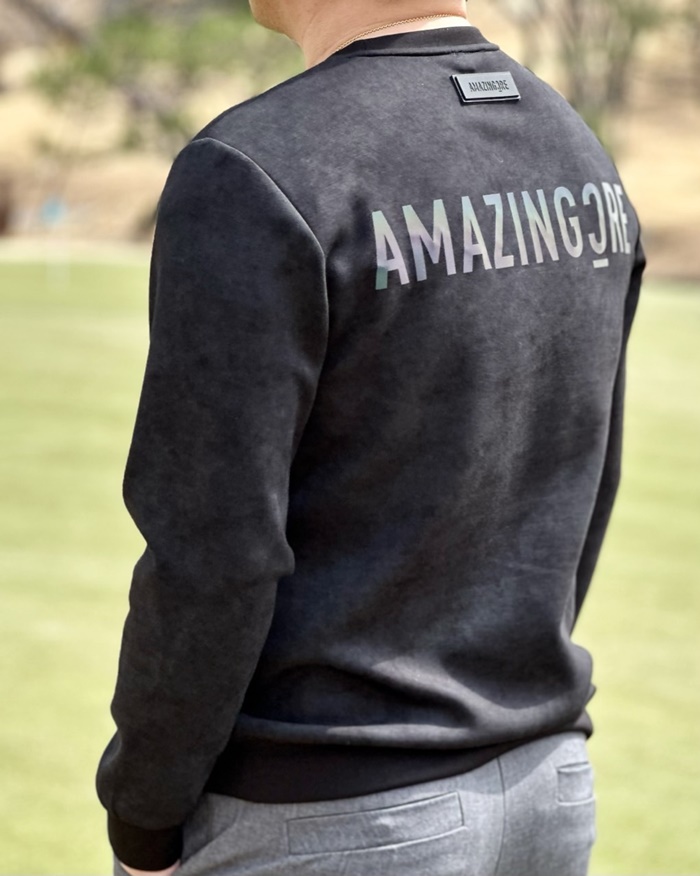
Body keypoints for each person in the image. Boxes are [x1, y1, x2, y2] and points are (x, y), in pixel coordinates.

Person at [96, 1, 646, 874]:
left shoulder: (256, 166)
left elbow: (214, 548)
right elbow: (586, 477)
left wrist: (143, 815)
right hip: (545, 788)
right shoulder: (575, 150)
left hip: (326, 817)